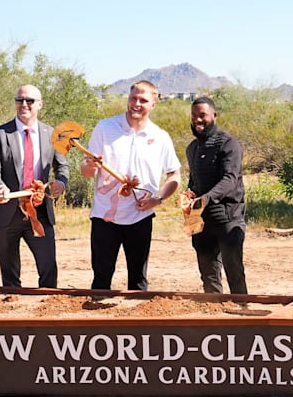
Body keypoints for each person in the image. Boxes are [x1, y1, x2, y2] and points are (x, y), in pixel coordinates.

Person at [83, 80, 180, 291]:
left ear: (153, 104)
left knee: (138, 281)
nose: (136, 103)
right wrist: (90, 166)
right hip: (105, 216)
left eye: (143, 100)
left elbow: (174, 175)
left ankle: (136, 322)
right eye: (133, 98)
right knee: (101, 278)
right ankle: (95, 319)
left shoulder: (161, 137)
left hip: (140, 216)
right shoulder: (105, 127)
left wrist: (158, 199)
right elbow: (87, 171)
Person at [0, 84, 68, 288]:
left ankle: (48, 311)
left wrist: (61, 183)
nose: (24, 104)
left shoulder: (52, 135)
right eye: (20, 100)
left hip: (39, 210)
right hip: (5, 211)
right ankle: (13, 312)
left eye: (30, 101)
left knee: (48, 266)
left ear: (40, 104)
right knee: (9, 272)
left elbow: (62, 167)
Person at [183, 96, 247, 294]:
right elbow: (195, 181)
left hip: (228, 218)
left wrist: (206, 198)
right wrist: (189, 195)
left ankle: (244, 315)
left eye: (202, 115)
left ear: (214, 115)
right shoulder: (192, 148)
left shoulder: (229, 144)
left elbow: (230, 179)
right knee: (208, 274)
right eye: (194, 116)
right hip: (201, 219)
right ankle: (215, 316)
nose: (198, 120)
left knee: (234, 271)